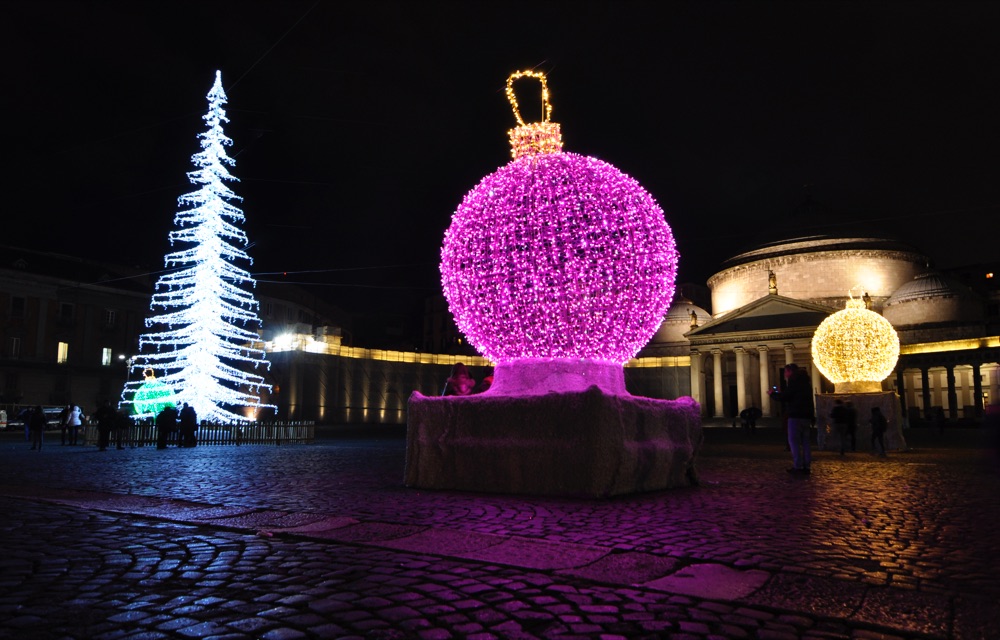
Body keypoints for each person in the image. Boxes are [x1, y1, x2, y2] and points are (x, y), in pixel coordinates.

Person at [768, 363, 815, 474]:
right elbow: (809, 401)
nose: (784, 374)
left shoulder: (793, 382)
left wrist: (772, 394)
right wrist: (812, 416)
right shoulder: (806, 384)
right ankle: (807, 466)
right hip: (806, 416)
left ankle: (798, 466)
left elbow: (786, 397)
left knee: (793, 441)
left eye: (785, 372)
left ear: (790, 372)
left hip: (795, 416)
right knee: (806, 443)